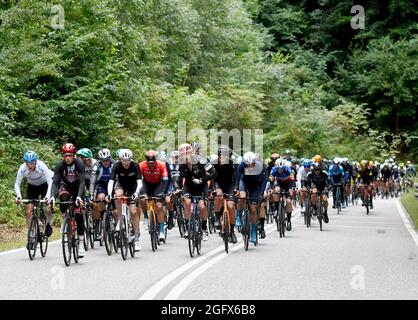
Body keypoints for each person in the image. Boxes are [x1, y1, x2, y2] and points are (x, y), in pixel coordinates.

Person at [49, 143, 87, 257]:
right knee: (63, 199)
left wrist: (80, 196)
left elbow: (82, 182)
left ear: (74, 156)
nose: (68, 158)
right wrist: (52, 196)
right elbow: (55, 182)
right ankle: (65, 219)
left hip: (77, 189)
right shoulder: (60, 165)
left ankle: (80, 243)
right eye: (65, 156)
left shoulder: (79, 164)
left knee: (79, 215)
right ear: (63, 156)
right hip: (65, 186)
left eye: (70, 155)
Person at [176, 143, 217, 241]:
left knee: (202, 206)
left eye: (186, 154)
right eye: (181, 155)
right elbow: (176, 177)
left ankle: (203, 228)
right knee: (187, 202)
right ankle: (187, 228)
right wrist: (177, 188)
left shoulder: (201, 160)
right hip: (189, 186)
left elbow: (214, 173)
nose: (184, 157)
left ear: (191, 153)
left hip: (202, 185)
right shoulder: (180, 163)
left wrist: (203, 180)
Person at [106, 149, 142, 251]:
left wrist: (136, 193)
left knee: (133, 211)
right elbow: (111, 182)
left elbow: (139, 183)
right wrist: (109, 194)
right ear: (120, 159)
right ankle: (120, 219)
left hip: (133, 188)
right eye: (124, 160)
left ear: (131, 159)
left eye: (128, 160)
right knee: (118, 195)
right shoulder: (116, 165)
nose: (126, 163)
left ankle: (136, 238)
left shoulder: (135, 165)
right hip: (121, 185)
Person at [15, 151, 54, 238]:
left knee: (48, 206)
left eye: (32, 163)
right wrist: (18, 196)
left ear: (35, 162)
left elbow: (50, 182)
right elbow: (17, 184)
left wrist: (48, 196)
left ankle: (48, 223)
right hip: (32, 186)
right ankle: (31, 234)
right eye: (27, 163)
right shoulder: (22, 169)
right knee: (29, 209)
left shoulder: (42, 166)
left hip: (45, 184)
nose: (29, 165)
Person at [236, 152, 268, 244]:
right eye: (247, 164)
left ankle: (253, 231)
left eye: (251, 164)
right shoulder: (241, 166)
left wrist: (261, 194)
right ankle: (238, 216)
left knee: (253, 209)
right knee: (242, 197)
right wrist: (237, 189)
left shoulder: (261, 167)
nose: (250, 165)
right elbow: (238, 178)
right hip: (244, 182)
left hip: (255, 186)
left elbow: (264, 181)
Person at [139, 150, 169, 242]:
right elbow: (138, 180)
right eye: (149, 162)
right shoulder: (141, 165)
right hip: (146, 184)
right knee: (143, 199)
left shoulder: (161, 165)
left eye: (153, 162)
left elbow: (166, 181)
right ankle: (146, 217)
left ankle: (161, 231)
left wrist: (163, 193)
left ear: (155, 160)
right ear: (146, 161)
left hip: (158, 185)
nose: (151, 165)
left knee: (159, 206)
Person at [212, 145, 238, 243]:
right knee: (218, 195)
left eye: (225, 156)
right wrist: (213, 189)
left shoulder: (231, 163)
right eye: (221, 156)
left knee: (231, 206)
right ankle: (217, 218)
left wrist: (236, 188)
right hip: (218, 183)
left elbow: (235, 177)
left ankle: (232, 231)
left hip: (229, 184)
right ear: (218, 156)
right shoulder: (214, 163)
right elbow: (212, 177)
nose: (223, 158)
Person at [89, 148, 114, 240]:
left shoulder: (114, 165)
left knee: (115, 204)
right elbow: (92, 182)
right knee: (100, 199)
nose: (105, 162)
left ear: (110, 158)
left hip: (113, 186)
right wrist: (92, 195)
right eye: (103, 160)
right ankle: (101, 221)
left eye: (107, 160)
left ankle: (116, 225)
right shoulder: (97, 166)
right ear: (100, 160)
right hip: (102, 186)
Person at [270, 158, 295, 231]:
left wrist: (291, 189)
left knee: (289, 201)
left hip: (288, 184)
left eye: (282, 169)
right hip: (279, 183)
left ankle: (289, 220)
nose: (280, 170)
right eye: (278, 169)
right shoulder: (273, 169)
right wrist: (272, 189)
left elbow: (292, 180)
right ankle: (277, 209)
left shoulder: (288, 169)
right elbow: (271, 180)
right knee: (276, 191)